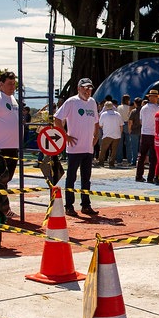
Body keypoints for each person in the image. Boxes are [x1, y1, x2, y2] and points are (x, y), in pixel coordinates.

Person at [54, 77, 100, 217]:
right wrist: (65, 136)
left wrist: (96, 136)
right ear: (79, 88)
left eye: (90, 88)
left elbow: (96, 121)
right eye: (85, 88)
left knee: (86, 178)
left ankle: (86, 205)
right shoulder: (71, 102)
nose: (88, 90)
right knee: (71, 178)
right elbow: (57, 118)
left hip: (88, 148)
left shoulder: (92, 102)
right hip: (74, 148)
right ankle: (69, 206)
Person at [135, 88, 159, 183]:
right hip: (153, 134)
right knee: (153, 157)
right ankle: (150, 177)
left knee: (142, 156)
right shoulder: (158, 108)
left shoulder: (143, 108)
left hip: (144, 133)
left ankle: (139, 176)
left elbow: (141, 121)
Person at [96, 100, 124, 167]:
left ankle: (101, 162)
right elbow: (121, 125)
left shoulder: (104, 114)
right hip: (117, 134)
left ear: (105, 107)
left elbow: (100, 125)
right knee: (114, 150)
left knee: (103, 149)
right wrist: (120, 133)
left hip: (107, 134)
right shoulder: (117, 114)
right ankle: (111, 163)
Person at [117, 94, 133, 164]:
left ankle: (119, 159)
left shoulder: (119, 107)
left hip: (120, 124)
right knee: (129, 143)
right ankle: (129, 159)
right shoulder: (130, 108)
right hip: (127, 124)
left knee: (119, 143)